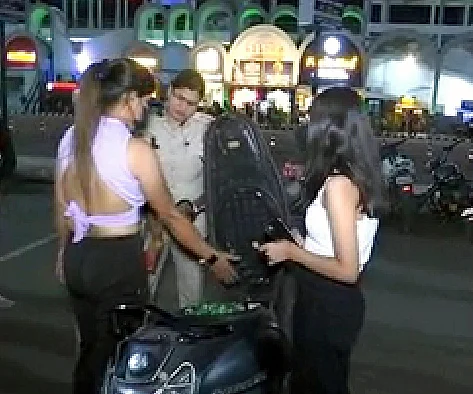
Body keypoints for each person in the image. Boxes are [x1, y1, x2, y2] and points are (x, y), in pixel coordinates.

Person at [54, 59, 237, 394]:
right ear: (127, 99)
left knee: (90, 348)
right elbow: (168, 215)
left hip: (78, 256)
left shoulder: (72, 136)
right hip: (116, 262)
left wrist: (64, 253)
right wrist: (212, 257)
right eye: (141, 99)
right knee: (119, 356)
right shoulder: (134, 149)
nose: (144, 107)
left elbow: (63, 208)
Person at [259, 87, 384, 394]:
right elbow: (333, 247)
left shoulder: (339, 185)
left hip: (326, 303)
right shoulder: (354, 176)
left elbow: (347, 269)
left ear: (328, 127)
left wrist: (290, 251)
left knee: (318, 385)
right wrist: (299, 244)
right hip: (328, 298)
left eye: (312, 117)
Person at [144, 69, 215, 308]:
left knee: (191, 293)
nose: (182, 107)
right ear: (169, 92)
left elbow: (218, 182)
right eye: (179, 98)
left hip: (190, 223)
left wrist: (195, 206)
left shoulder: (208, 131)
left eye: (190, 103)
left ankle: (190, 338)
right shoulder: (147, 126)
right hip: (153, 222)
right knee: (144, 286)